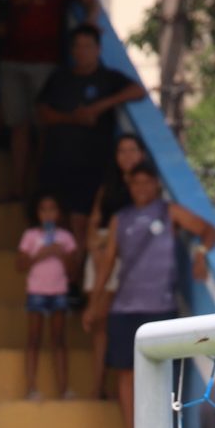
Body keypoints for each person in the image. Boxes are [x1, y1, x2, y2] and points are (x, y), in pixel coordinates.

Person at [85, 163, 215, 425]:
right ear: (129, 186)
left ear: (156, 184)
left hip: (160, 307)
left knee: (162, 375)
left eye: (147, 182)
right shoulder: (120, 218)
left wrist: (200, 256)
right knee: (125, 372)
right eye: (136, 182)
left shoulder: (169, 212)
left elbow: (208, 231)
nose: (141, 188)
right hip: (124, 307)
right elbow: (108, 263)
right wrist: (93, 303)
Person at [0, 0, 98, 194]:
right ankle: (18, 187)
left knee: (45, 128)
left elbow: (90, 0)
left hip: (47, 63)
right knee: (18, 128)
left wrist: (91, 25)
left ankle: (42, 191)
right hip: (12, 60)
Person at [37, 27, 145, 259]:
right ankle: (63, 282)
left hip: (92, 165)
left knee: (83, 221)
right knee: (59, 222)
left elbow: (138, 90)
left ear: (98, 49)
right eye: (77, 46)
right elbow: (43, 112)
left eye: (88, 46)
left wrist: (101, 106)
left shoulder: (109, 78)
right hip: (58, 161)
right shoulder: (59, 77)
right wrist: (72, 118)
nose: (82, 51)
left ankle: (77, 285)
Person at [15, 194, 77, 399]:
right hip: (36, 292)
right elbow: (20, 265)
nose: (48, 214)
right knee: (34, 338)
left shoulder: (66, 238)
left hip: (59, 291)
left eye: (52, 209)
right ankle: (31, 387)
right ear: (38, 213)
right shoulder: (30, 235)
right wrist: (41, 254)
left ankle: (63, 389)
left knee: (59, 340)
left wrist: (62, 254)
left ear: (59, 213)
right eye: (44, 209)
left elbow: (74, 271)